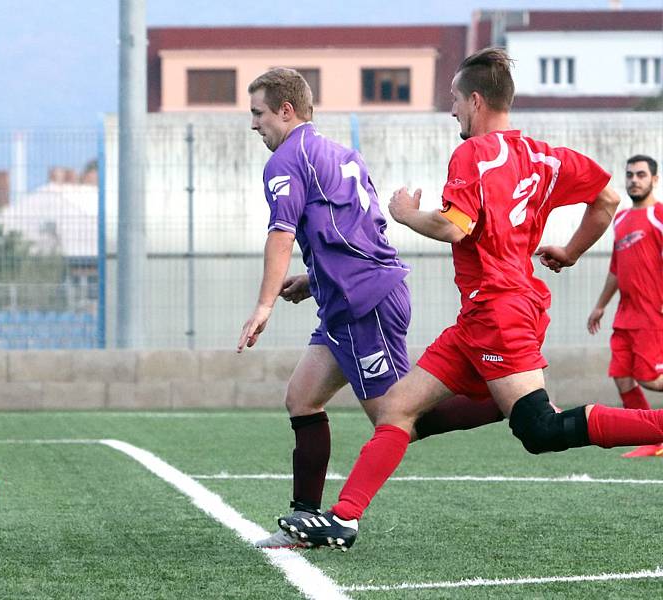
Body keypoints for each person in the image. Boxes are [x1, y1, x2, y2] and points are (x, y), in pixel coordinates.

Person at [279, 48, 663, 551]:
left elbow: (455, 226)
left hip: (500, 310)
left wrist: (407, 214)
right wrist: (569, 252)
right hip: (483, 314)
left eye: (455, 100)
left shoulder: (474, 153)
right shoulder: (548, 155)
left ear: (476, 100)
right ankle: (344, 519)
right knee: (396, 410)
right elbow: (607, 200)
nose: (453, 110)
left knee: (538, 428)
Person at [238, 67, 504, 548]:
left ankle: (508, 399)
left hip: (366, 304)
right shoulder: (341, 153)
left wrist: (263, 306)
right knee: (302, 397)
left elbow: (281, 233)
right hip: (349, 300)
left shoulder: (284, 162)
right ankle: (305, 520)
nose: (254, 124)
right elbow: (358, 232)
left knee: (399, 418)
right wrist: (314, 281)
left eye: (258, 113)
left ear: (285, 109)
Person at [587, 155, 663, 458]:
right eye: (630, 175)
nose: (634, 180)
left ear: (654, 180)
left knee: (649, 378)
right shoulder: (619, 219)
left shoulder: (659, 215)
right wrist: (601, 306)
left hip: (651, 314)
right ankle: (653, 439)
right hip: (624, 315)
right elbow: (616, 269)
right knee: (621, 375)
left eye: (641, 175)